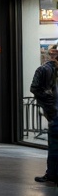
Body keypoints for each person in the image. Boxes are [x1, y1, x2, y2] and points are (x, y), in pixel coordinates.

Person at [30, 44, 57, 185]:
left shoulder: (43, 69)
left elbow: (34, 88)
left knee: (54, 145)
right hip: (54, 113)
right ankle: (52, 174)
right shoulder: (45, 70)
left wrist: (49, 107)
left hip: (54, 113)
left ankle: (52, 175)